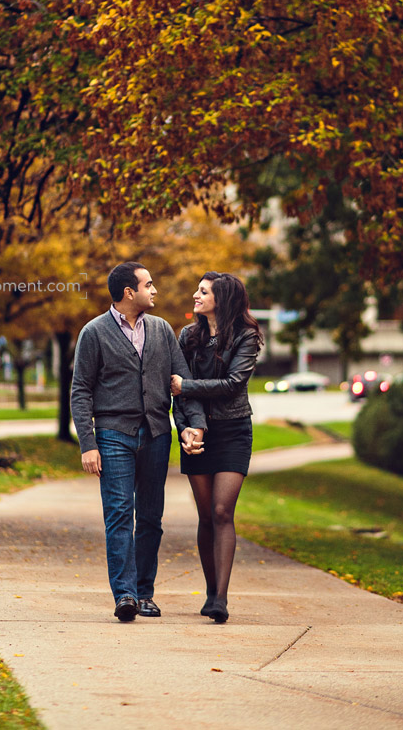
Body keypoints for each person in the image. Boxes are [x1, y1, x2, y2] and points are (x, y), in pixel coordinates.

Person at [71, 261, 206, 622]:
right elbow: (81, 390)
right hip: (114, 434)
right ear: (129, 293)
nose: (155, 290)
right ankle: (125, 595)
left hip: (157, 434)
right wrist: (88, 442)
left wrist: (195, 425)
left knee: (150, 517)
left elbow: (182, 383)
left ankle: (145, 592)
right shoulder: (94, 333)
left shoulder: (162, 330)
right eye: (149, 285)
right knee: (118, 514)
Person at [171, 271, 263, 624]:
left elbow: (233, 383)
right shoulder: (188, 336)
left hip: (232, 431)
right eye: (197, 289)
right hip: (196, 433)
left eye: (203, 291)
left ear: (221, 300)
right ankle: (210, 591)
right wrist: (186, 429)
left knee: (224, 511)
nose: (196, 295)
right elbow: (174, 391)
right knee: (206, 515)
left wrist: (188, 386)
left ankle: (220, 598)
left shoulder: (246, 336)